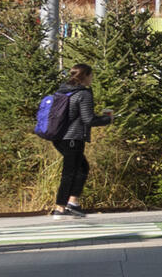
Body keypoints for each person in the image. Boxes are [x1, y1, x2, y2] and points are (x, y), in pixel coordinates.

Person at [48, 63, 114, 217]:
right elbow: (88, 119)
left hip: (58, 136)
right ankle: (60, 208)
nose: (92, 79)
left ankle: (72, 202)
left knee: (82, 168)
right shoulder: (83, 94)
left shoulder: (62, 90)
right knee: (70, 172)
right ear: (86, 76)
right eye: (91, 76)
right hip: (72, 137)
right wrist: (107, 119)